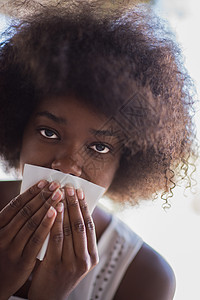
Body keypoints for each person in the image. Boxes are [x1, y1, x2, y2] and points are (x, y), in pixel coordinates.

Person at [0, 1, 197, 299]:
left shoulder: (144, 277)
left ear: (126, 162)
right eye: (49, 132)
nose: (66, 167)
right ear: (20, 128)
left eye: (100, 147)